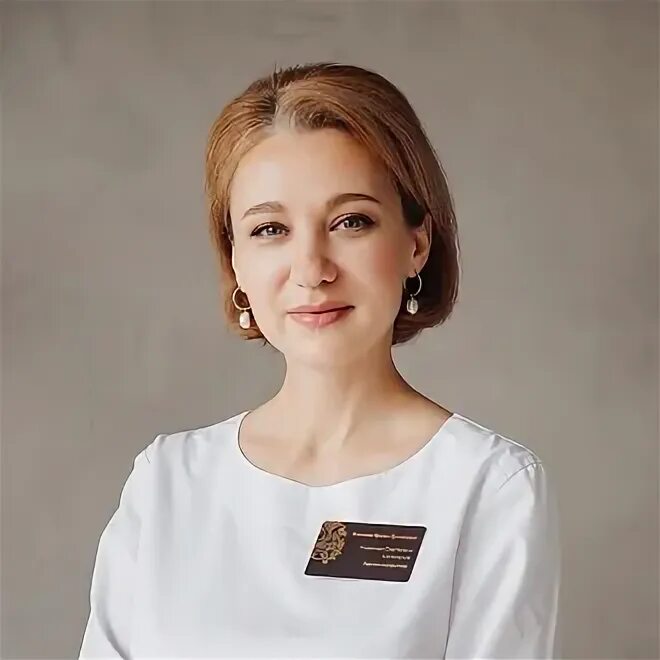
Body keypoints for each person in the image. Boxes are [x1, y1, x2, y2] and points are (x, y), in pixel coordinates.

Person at [79, 62, 561, 659]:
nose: (311, 270)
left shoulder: (487, 486)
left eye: (350, 222)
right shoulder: (166, 483)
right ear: (235, 261)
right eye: (270, 229)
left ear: (416, 244)